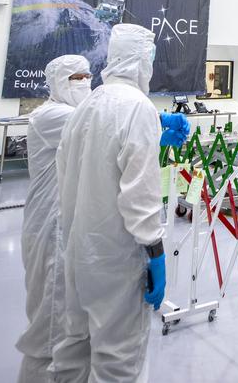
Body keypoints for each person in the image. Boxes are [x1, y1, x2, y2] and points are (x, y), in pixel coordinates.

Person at [50, 24, 191, 383]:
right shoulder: (138, 108)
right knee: (117, 361)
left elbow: (88, 166)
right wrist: (155, 250)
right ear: (142, 61)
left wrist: (154, 136)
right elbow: (139, 197)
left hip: (79, 253)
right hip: (117, 259)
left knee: (74, 350)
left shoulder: (86, 105)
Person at [16, 55, 92, 383]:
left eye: (89, 76)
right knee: (49, 325)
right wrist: (156, 122)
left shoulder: (73, 113)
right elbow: (102, 125)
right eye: (78, 78)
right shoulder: (52, 116)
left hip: (66, 224)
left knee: (66, 318)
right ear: (61, 81)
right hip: (50, 227)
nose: (86, 82)